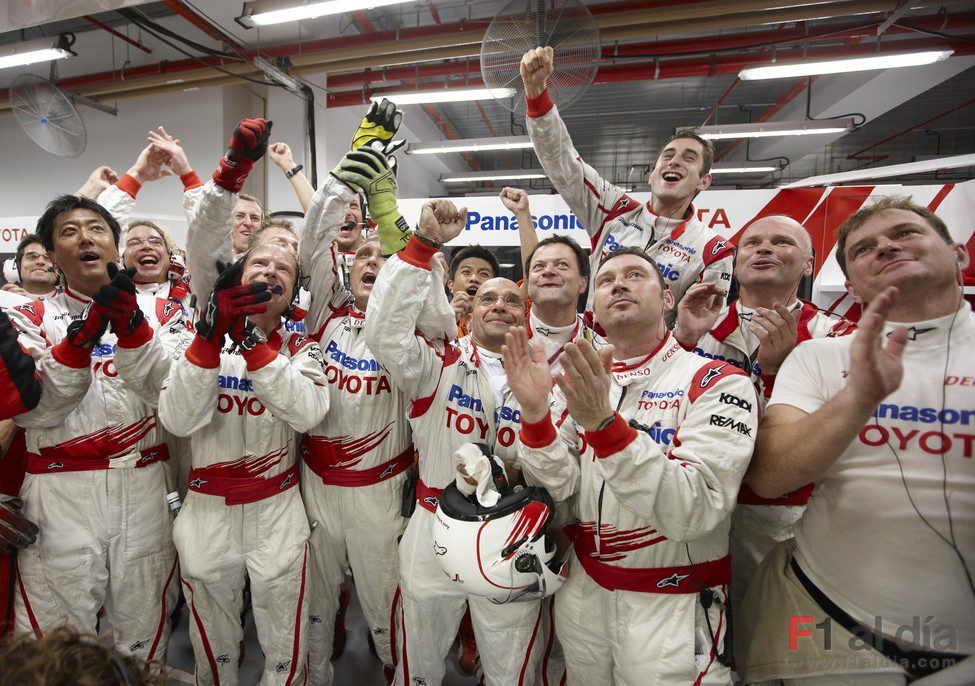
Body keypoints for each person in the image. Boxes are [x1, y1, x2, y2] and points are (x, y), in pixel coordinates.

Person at [739, 197, 975, 685]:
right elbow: (770, 476)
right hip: (834, 623)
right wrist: (858, 398)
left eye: (906, 234)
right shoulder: (821, 356)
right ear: (850, 283)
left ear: (959, 256)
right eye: (865, 248)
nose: (886, 247)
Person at [503, 246, 758, 684]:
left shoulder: (716, 381)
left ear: (667, 300)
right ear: (595, 307)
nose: (618, 284)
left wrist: (604, 426)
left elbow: (693, 509)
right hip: (584, 593)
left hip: (672, 602)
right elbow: (559, 484)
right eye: (605, 280)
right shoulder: (578, 381)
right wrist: (535, 416)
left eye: (635, 275)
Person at [113, 241, 327, 685]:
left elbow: (307, 411)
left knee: (286, 643)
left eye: (283, 268)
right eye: (260, 263)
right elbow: (178, 418)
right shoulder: (198, 337)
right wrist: (212, 339)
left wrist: (249, 341)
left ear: (291, 294)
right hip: (206, 509)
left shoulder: (303, 347)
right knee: (214, 644)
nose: (270, 270)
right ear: (238, 277)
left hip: (277, 507)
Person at [365, 200, 546, 686]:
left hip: (513, 531)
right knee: (418, 661)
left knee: (512, 669)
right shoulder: (437, 363)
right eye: (488, 299)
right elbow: (383, 335)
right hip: (433, 526)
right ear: (472, 307)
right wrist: (421, 248)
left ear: (525, 311)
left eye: (512, 300)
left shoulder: (546, 371)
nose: (500, 307)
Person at [6, 195, 185, 661]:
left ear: (114, 242)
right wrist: (78, 343)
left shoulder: (164, 314)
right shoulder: (27, 317)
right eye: (68, 231)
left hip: (144, 484)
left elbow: (171, 395)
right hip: (58, 495)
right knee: (57, 646)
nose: (84, 237)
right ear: (50, 253)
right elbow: (35, 411)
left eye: (96, 228)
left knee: (144, 640)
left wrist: (133, 332)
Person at [673, 215, 855, 627]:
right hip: (697, 501)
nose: (764, 248)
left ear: (808, 263)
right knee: (697, 630)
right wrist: (681, 340)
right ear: (737, 263)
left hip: (785, 515)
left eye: (781, 242)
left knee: (772, 630)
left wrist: (778, 371)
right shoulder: (699, 321)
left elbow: (837, 429)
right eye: (752, 242)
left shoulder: (837, 335)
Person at [297, 159, 415, 684]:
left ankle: (397, 670)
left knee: (387, 601)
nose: (372, 260)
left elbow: (423, 275)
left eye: (383, 255)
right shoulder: (327, 315)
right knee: (315, 603)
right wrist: (344, 179)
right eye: (362, 254)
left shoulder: (413, 334)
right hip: (315, 485)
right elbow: (313, 247)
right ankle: (314, 673)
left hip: (380, 493)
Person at [520, 46, 734, 323]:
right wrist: (536, 94)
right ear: (651, 173)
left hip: (657, 360)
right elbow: (564, 166)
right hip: (591, 350)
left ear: (704, 181)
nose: (675, 162)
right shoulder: (614, 209)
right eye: (667, 156)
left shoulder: (713, 250)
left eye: (689, 158)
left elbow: (702, 325)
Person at [447, 244, 499, 339]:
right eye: (466, 272)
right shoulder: (431, 325)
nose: (474, 278)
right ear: (451, 284)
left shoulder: (504, 325)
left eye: (484, 274)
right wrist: (446, 319)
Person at [2, 235, 57, 299]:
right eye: (32, 256)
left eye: (48, 257)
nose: (40, 261)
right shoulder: (4, 302)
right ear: (18, 266)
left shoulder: (70, 303)